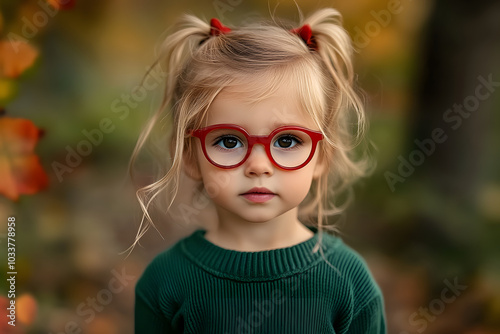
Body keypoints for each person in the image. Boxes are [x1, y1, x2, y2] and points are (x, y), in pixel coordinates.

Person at [132, 7, 386, 333]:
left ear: (322, 155)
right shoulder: (166, 283)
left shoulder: (347, 281)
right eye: (228, 141)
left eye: (287, 140)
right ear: (190, 156)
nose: (258, 166)